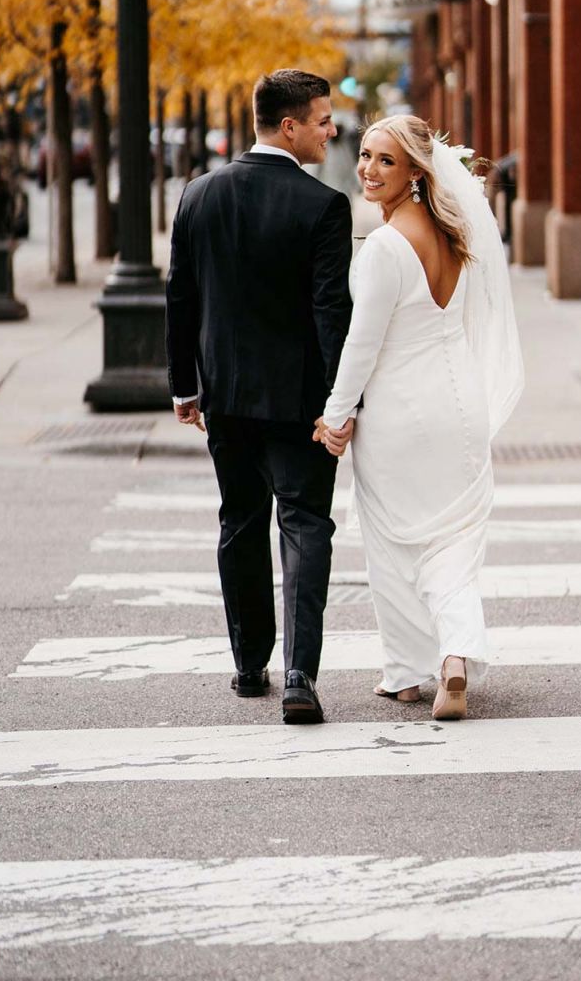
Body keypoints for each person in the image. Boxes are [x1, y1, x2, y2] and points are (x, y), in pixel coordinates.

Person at [315, 115, 523, 720]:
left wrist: (335, 417)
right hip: (458, 405)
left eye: (386, 161)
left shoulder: (384, 248)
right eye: (366, 156)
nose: (368, 170)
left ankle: (409, 673)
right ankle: (453, 656)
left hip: (401, 413)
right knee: (452, 538)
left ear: (413, 175)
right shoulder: (454, 233)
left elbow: (362, 343)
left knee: (394, 539)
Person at [166, 70, 354, 725]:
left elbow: (180, 296)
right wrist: (342, 402)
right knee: (304, 526)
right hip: (300, 403)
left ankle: (250, 666)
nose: (331, 131)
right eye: (323, 119)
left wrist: (185, 384)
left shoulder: (199, 194)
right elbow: (331, 312)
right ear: (289, 126)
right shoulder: (323, 207)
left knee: (239, 520)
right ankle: (300, 675)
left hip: (224, 396)